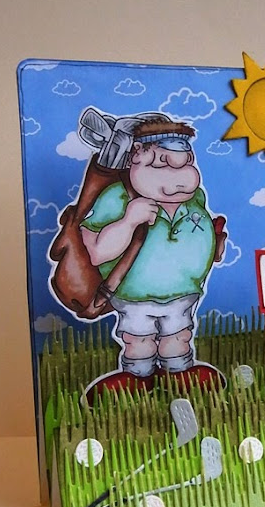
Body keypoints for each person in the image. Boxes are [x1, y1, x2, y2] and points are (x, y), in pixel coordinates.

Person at [79, 114, 227, 399]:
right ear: (136, 157)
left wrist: (213, 247)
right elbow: (96, 252)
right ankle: (137, 375)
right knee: (139, 338)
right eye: (161, 164)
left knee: (178, 334)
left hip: (183, 292)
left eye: (185, 164)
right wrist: (128, 221)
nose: (180, 179)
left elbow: (201, 232)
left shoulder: (195, 199)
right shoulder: (118, 198)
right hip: (135, 297)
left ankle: (178, 372)